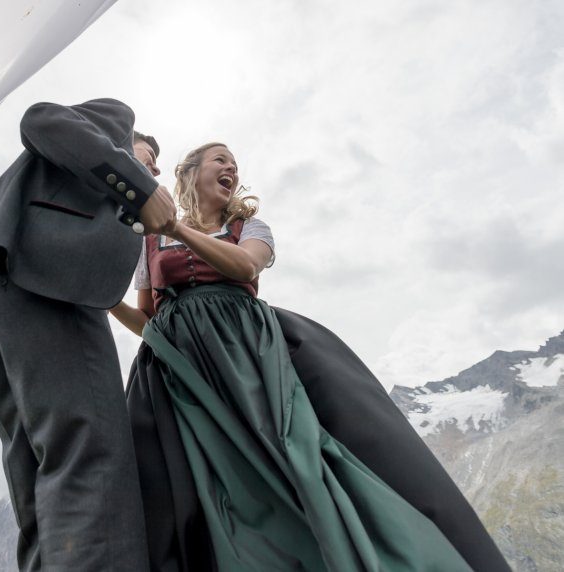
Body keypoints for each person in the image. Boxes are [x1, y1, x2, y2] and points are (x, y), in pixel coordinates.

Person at [111, 142, 509, 571]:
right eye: (220, 159)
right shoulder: (150, 241)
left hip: (245, 354)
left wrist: (177, 227)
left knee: (291, 456)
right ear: (189, 172)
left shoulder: (251, 227)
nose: (232, 167)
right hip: (181, 368)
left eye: (235, 164)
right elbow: (145, 319)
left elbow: (245, 268)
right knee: (192, 479)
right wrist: (102, 299)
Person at [0, 98, 175, 571]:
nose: (152, 169)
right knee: (93, 459)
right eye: (146, 159)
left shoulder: (74, 192)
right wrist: (139, 186)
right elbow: (40, 118)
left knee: (34, 480)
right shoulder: (114, 122)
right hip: (44, 287)